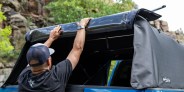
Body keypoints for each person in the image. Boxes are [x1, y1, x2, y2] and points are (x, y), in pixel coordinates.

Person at [18, 18, 91, 92]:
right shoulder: (55, 77)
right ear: (49, 61)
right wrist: (82, 26)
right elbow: (77, 49)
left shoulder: (23, 78)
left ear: (29, 64)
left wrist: (51, 39)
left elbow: (77, 49)